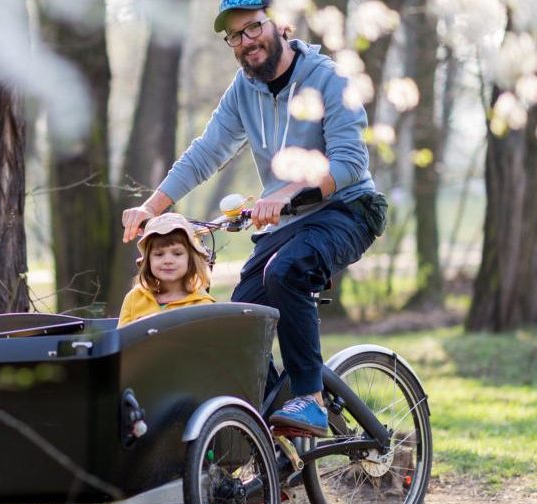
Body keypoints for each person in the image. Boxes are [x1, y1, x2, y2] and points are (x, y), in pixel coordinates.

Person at [120, 0, 388, 436]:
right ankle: (266, 435)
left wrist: (284, 192)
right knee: (239, 324)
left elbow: (350, 164)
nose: (246, 41)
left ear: (279, 24)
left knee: (286, 271)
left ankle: (311, 400)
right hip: (289, 223)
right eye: (234, 36)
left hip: (347, 210)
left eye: (252, 28)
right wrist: (152, 208)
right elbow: (207, 152)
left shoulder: (329, 78)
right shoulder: (243, 90)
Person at [118, 213, 216, 327]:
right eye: (159, 254)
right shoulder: (135, 297)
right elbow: (122, 337)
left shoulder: (202, 304)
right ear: (148, 261)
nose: (168, 261)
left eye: (177, 253)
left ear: (190, 259)